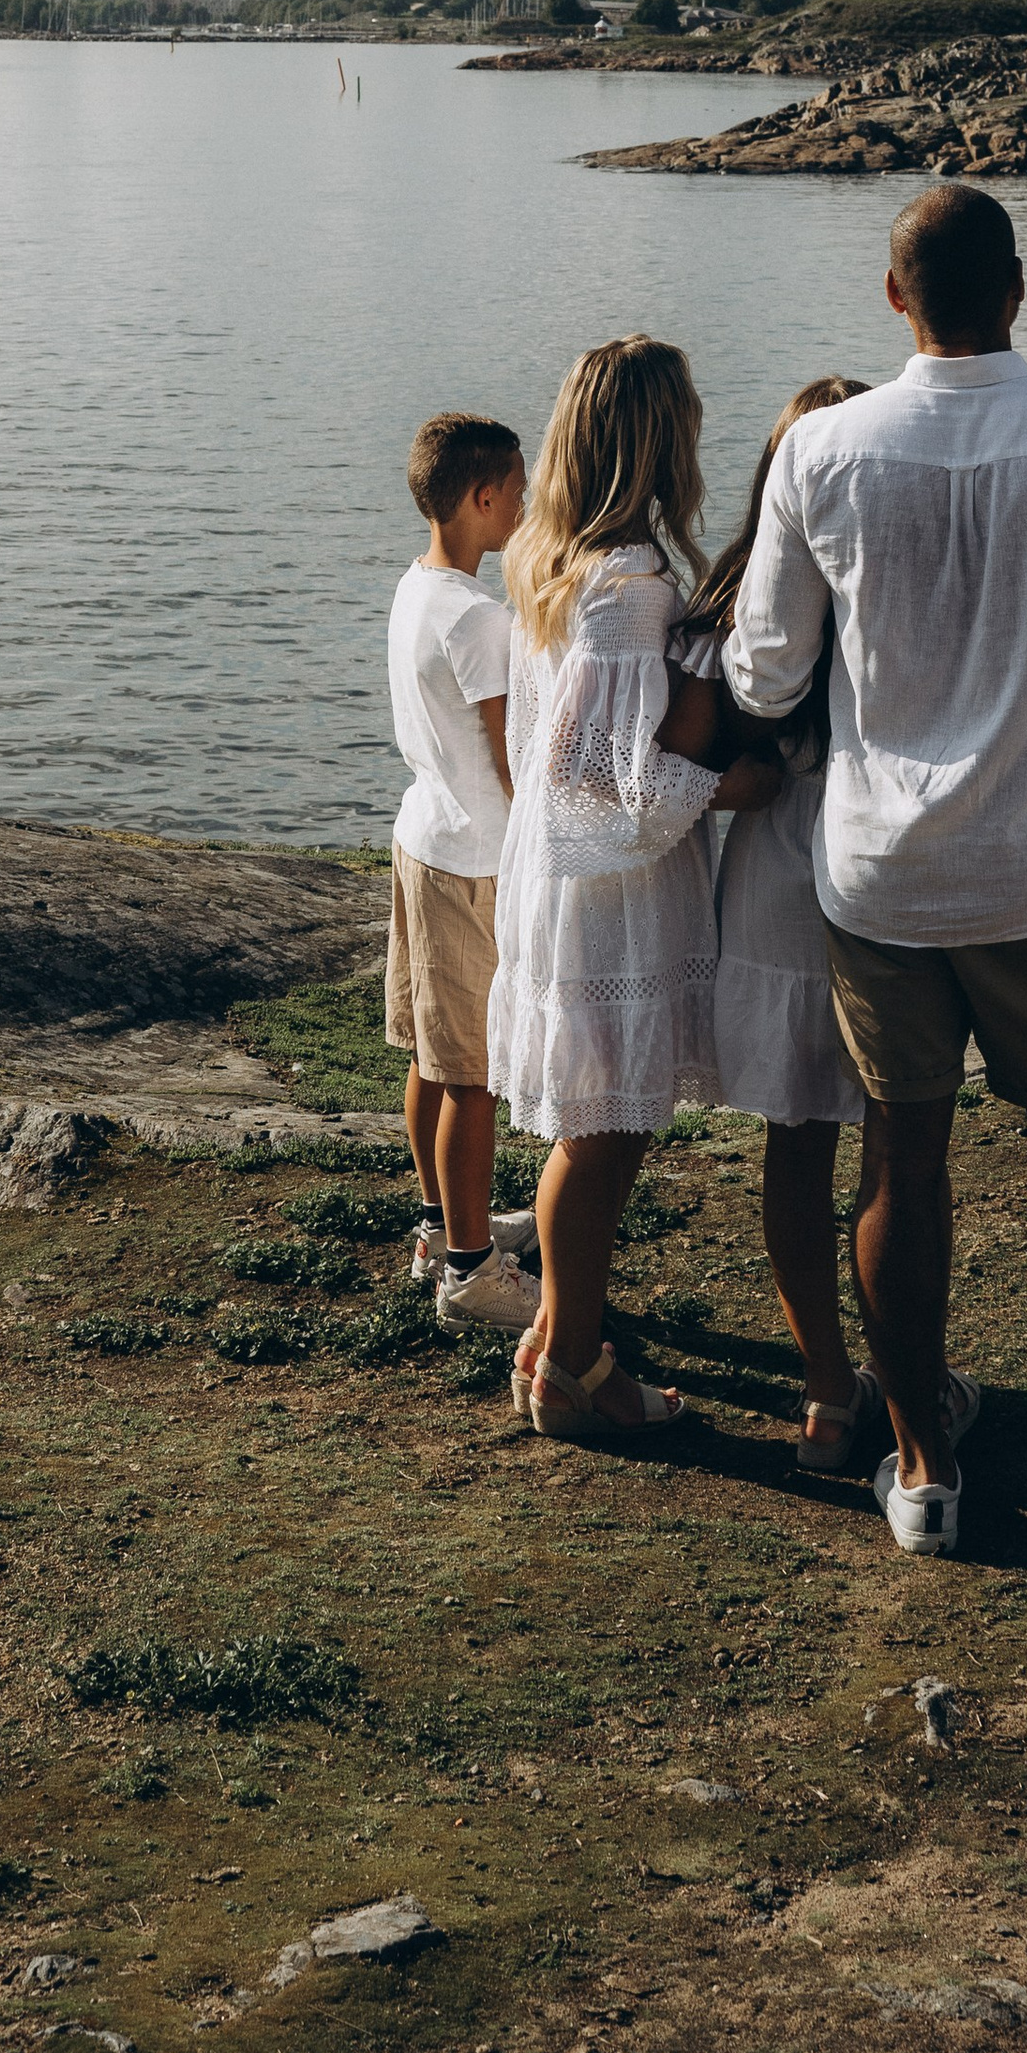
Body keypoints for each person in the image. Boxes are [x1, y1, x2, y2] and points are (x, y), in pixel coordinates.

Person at [726, 180, 1027, 1557]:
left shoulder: (820, 452)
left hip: (880, 873)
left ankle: (927, 1473)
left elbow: (765, 675)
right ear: (1018, 288)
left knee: (902, 1156)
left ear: (894, 298)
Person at [488, 335, 780, 1440]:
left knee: (605, 1120)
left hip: (564, 871)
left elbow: (544, 752)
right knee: (601, 1128)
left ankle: (557, 1335)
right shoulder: (631, 586)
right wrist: (735, 785)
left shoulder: (550, 557)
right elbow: (599, 773)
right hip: (609, 883)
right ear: (662, 437)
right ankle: (572, 1370)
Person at [676, 379, 892, 1475]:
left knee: (796, 1150)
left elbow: (682, 745)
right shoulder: (889, 589)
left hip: (768, 894)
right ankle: (905, 1388)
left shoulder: (727, 600)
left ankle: (825, 1392)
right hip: (876, 889)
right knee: (898, 1154)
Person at [385, 412, 541, 1336]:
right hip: (473, 860)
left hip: (424, 837)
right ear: (483, 498)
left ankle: (441, 1228)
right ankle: (473, 1273)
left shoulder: (420, 587)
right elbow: (511, 757)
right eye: (518, 492)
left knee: (432, 1057)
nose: (526, 506)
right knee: (471, 1078)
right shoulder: (480, 620)